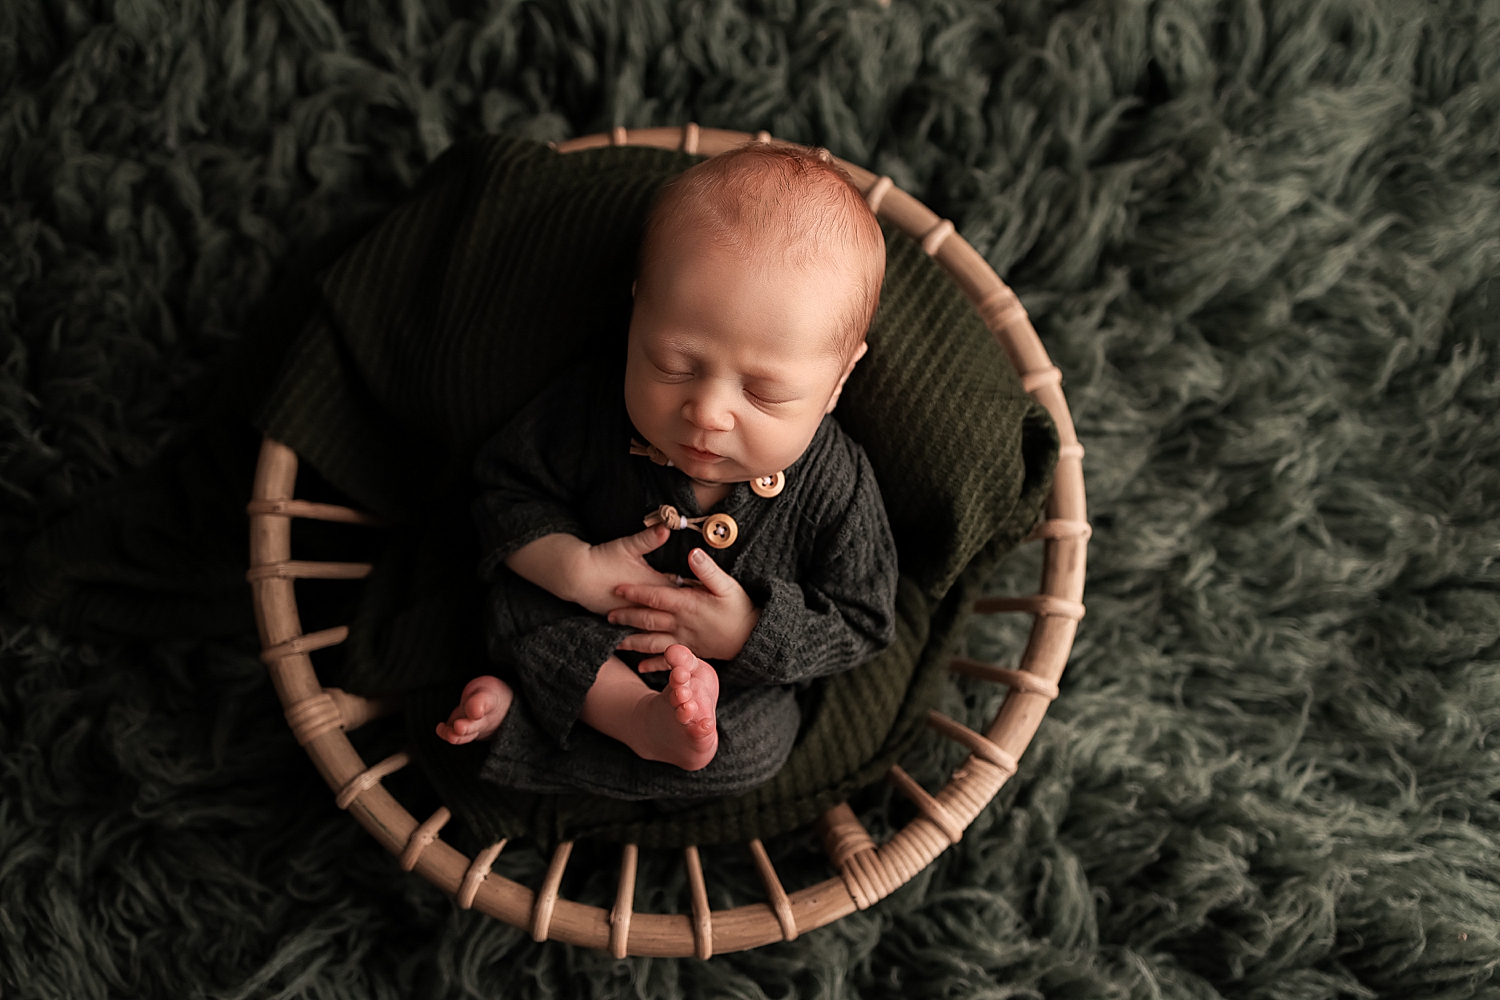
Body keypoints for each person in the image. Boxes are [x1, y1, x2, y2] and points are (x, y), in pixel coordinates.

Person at [436, 141, 900, 800]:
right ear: (636, 314)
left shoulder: (837, 487)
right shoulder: (588, 410)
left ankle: (521, 736)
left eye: (764, 394)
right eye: (674, 365)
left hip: (722, 688)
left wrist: (748, 632)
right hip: (577, 627)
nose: (707, 412)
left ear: (837, 381)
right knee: (513, 610)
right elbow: (503, 488)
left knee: (753, 750)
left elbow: (863, 620)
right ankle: (616, 710)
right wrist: (573, 568)